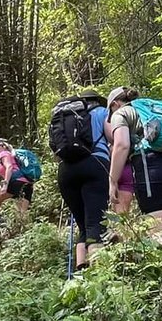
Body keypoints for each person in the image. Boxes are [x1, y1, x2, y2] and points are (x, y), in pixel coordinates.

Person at [103, 87, 162, 246]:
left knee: (160, 232)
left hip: (153, 168)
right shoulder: (155, 106)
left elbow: (121, 145)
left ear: (115, 104)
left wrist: (113, 181)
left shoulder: (121, 113)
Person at [53, 92, 114, 267]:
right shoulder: (102, 112)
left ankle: (80, 270)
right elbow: (113, 138)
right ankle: (98, 273)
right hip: (95, 165)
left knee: (82, 225)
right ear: (97, 101)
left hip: (66, 170)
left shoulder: (64, 116)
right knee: (95, 223)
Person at [0, 139, 34, 223]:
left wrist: (5, 184)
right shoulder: (14, 155)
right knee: (21, 214)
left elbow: (9, 167)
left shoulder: (3, 153)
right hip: (27, 183)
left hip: (15, 182)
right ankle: (26, 233)